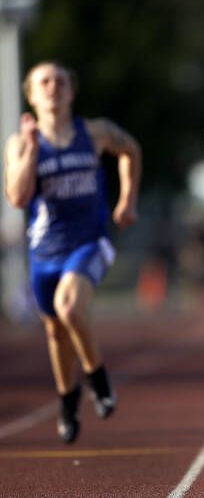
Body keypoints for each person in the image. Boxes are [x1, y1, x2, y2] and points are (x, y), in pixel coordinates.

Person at [3, 61, 142, 443]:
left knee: (70, 308)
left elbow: (130, 149)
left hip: (89, 242)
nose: (53, 88)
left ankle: (98, 378)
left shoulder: (94, 133)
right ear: (31, 94)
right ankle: (68, 399)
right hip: (45, 252)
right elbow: (17, 196)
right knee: (56, 331)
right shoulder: (19, 144)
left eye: (60, 81)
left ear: (71, 90)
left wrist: (127, 200)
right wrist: (31, 150)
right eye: (44, 82)